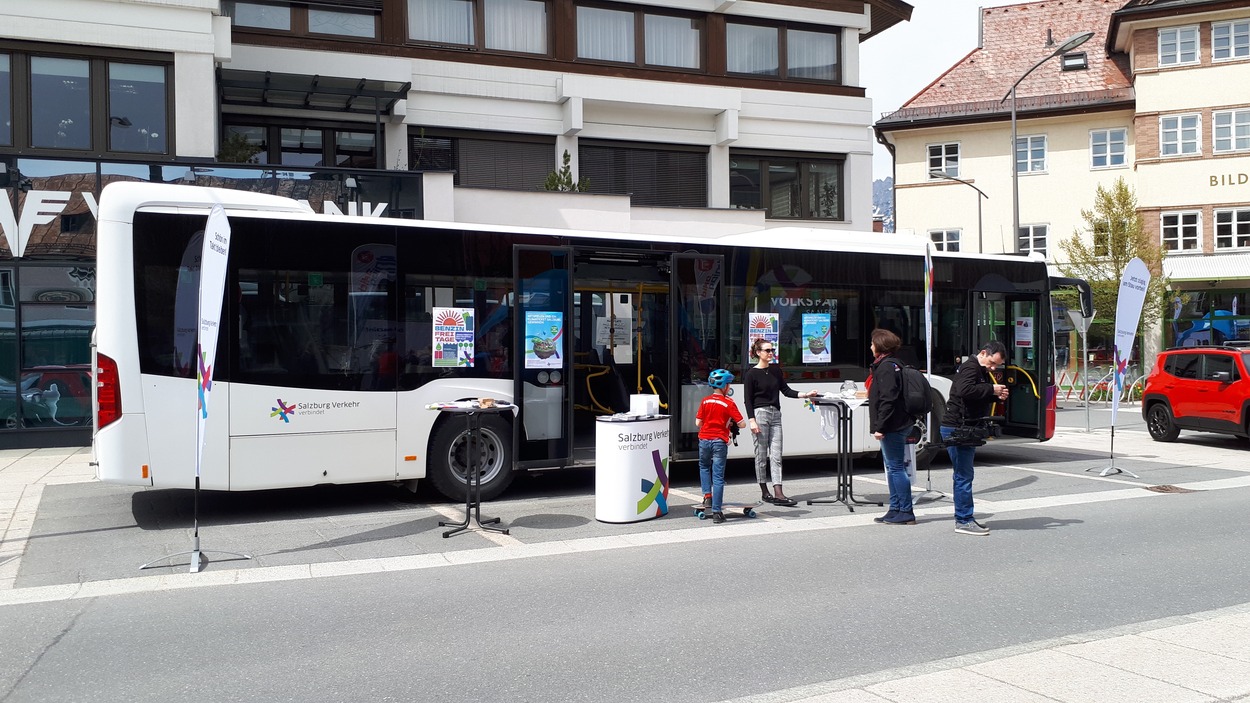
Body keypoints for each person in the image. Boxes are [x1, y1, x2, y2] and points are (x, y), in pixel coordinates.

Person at [941, 340, 1009, 536]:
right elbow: (964, 390)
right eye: (992, 362)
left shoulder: (979, 369)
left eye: (996, 365)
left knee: (964, 474)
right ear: (983, 353)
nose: (993, 367)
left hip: (964, 426)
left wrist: (996, 396)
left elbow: (972, 396)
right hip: (958, 427)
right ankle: (963, 520)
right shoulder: (971, 367)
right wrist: (992, 390)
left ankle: (965, 518)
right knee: (963, 476)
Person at [744, 337, 818, 506]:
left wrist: (805, 394)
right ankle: (765, 491)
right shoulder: (751, 374)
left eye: (772, 351)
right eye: (767, 350)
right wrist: (752, 420)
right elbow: (748, 400)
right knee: (761, 455)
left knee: (776, 455)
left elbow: (786, 391)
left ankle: (779, 493)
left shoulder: (776, 371)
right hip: (760, 414)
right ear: (758, 353)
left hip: (776, 414)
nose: (771, 353)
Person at [867, 328, 918, 525]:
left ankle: (905, 511)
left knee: (895, 468)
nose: (870, 347)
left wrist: (880, 426)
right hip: (898, 423)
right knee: (892, 467)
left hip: (893, 425)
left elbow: (888, 399)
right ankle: (895, 508)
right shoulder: (894, 363)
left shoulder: (887, 367)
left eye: (872, 343)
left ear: (880, 345)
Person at [695, 368, 748, 524]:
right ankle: (717, 513)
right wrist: (729, 423)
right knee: (718, 477)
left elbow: (698, 422)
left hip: (704, 440)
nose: (730, 387)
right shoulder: (728, 403)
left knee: (704, 466)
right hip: (719, 441)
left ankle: (707, 497)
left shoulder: (705, 401)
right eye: (729, 384)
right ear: (724, 386)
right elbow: (743, 424)